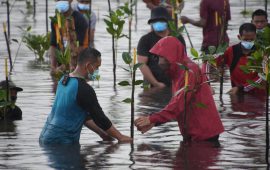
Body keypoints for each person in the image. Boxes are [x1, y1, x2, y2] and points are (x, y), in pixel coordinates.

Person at [135, 36, 224, 142]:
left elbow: (178, 105)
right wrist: (154, 122)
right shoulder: (177, 72)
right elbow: (177, 106)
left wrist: (151, 119)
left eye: (162, 57)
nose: (159, 63)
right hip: (193, 131)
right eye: (157, 58)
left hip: (204, 132)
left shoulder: (189, 71)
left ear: (171, 56)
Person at [40, 47, 132, 144]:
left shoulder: (64, 79)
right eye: (97, 67)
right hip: (61, 142)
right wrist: (120, 137)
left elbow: (84, 116)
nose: (97, 71)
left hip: (46, 136)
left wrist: (102, 134)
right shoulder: (84, 89)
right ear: (88, 66)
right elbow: (100, 118)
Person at [137, 6, 186, 88]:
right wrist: (156, 83)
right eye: (155, 21)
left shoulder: (177, 37)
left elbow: (183, 60)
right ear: (151, 23)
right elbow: (142, 64)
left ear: (167, 22)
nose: (158, 23)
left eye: (161, 21)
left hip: (174, 83)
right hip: (152, 84)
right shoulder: (145, 39)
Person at [214, 23, 265, 95]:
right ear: (239, 37)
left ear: (255, 37)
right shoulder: (231, 51)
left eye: (252, 39)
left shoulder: (262, 52)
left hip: (258, 96)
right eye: (246, 39)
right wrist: (219, 52)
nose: (249, 42)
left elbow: (263, 77)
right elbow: (213, 63)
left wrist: (242, 88)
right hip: (237, 94)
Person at [50, 0, 89, 75]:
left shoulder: (79, 19)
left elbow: (80, 47)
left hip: (79, 64)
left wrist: (68, 66)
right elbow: (53, 45)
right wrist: (53, 67)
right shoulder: (55, 20)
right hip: (61, 65)